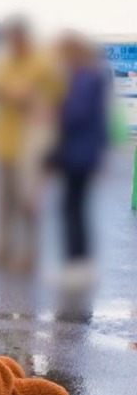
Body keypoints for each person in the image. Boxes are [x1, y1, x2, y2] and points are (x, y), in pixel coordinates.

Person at [0, 17, 63, 272]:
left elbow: (54, 98)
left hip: (29, 146)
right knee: (2, 203)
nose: (13, 44)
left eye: (16, 39)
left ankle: (30, 255)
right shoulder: (4, 62)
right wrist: (14, 93)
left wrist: (23, 95)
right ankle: (2, 250)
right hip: (4, 143)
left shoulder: (43, 63)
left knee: (28, 203)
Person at [51, 31, 110, 282]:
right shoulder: (88, 75)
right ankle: (77, 262)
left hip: (79, 154)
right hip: (81, 152)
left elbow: (76, 113)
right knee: (74, 208)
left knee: (73, 209)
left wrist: (54, 111)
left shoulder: (85, 77)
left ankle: (78, 264)